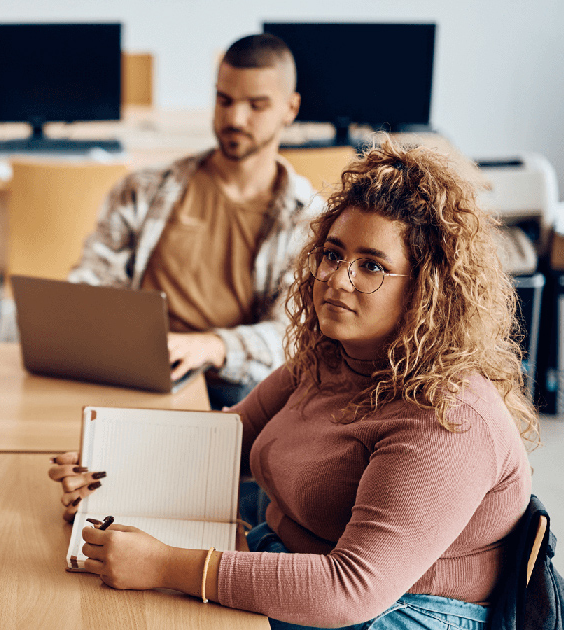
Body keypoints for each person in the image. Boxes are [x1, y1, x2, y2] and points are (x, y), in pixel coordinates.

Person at [51, 140, 536, 629]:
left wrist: (165, 565)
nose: (337, 279)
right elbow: (225, 442)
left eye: (371, 265)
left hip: (396, 610)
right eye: (332, 254)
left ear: (427, 288)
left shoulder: (447, 418)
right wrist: (109, 473)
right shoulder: (331, 356)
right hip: (296, 565)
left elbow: (349, 591)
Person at [70, 34, 322, 409]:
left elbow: (291, 335)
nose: (235, 118)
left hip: (233, 382)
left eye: (256, 105)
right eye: (224, 100)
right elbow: (93, 278)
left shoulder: (309, 219)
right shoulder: (144, 188)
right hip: (139, 369)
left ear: (290, 108)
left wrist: (212, 346)